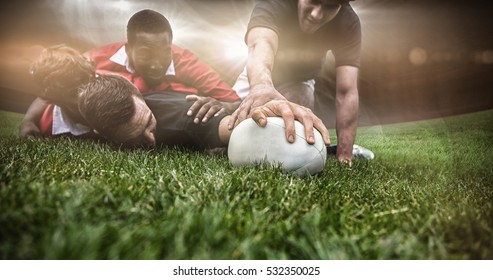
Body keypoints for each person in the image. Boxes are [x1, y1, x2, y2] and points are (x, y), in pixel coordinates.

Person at [19, 9, 240, 137]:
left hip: (173, 106)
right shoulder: (95, 61)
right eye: (146, 54)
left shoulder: (186, 62)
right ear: (128, 48)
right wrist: (28, 121)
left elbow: (232, 100)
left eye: (164, 54)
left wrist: (224, 106)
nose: (156, 64)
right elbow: (54, 84)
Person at [228, 0, 374, 163]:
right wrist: (261, 86)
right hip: (258, 74)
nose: (316, 15)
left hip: (300, 81)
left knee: (296, 105)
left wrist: (345, 155)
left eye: (330, 6)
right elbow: (261, 42)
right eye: (313, 1)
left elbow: (346, 91)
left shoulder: (347, 21)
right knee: (226, 126)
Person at [78, 74, 330, 149]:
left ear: (138, 93)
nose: (151, 140)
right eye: (133, 139)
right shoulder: (92, 130)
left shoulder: (188, 115)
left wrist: (268, 111)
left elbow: (233, 126)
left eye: (148, 124)